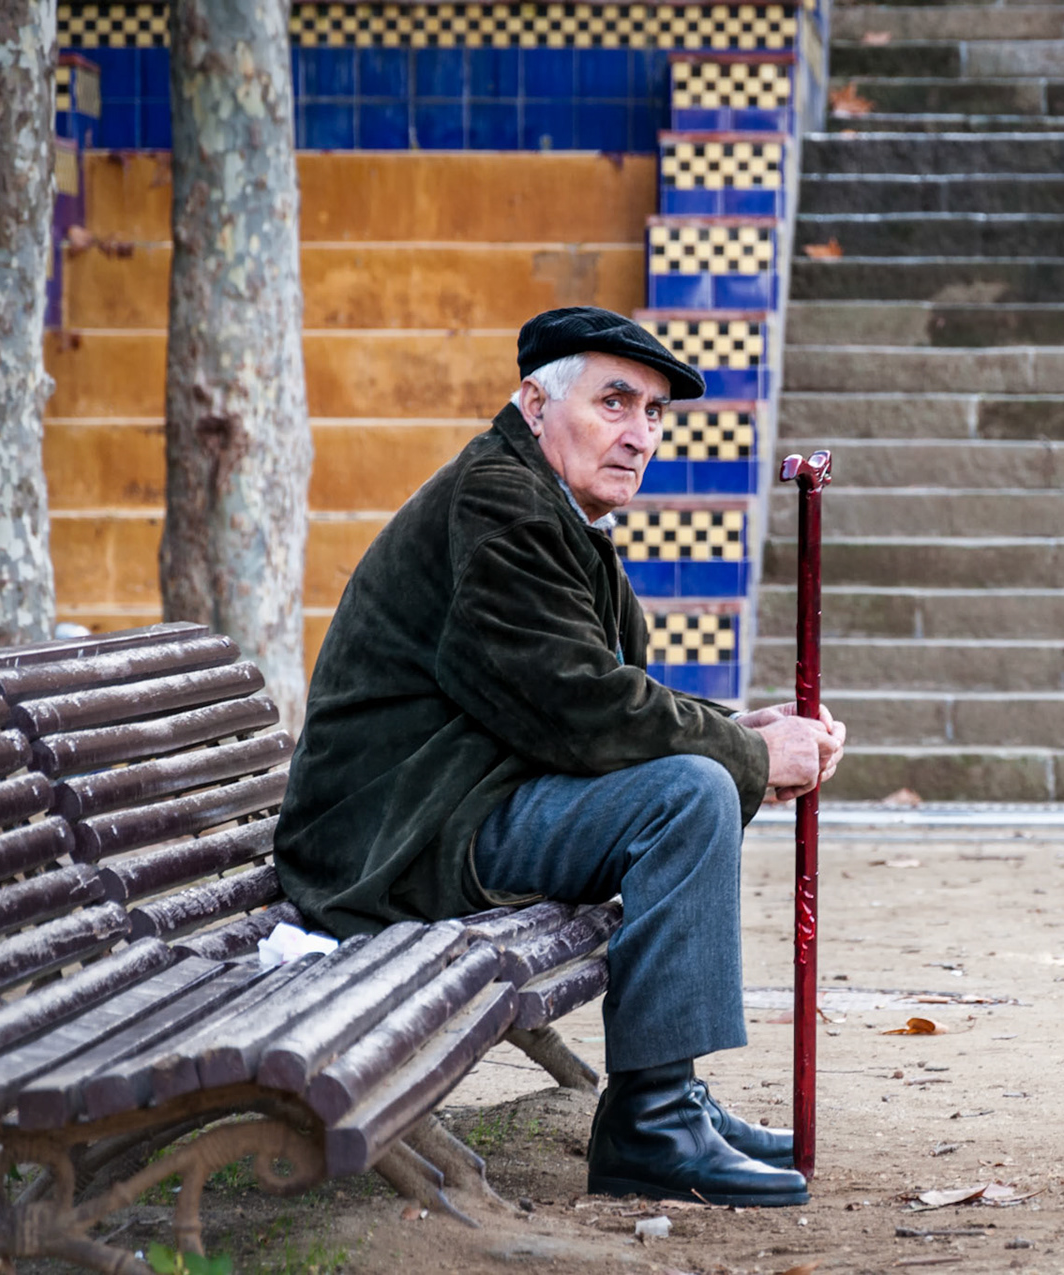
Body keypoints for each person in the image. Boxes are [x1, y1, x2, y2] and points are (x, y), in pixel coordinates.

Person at [273, 306, 844, 1208]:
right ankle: (651, 1125)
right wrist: (744, 750)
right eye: (616, 402)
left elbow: (580, 687)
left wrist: (743, 725)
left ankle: (669, 1099)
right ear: (535, 403)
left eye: (655, 412)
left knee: (695, 775)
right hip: (398, 838)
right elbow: (578, 707)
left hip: (450, 803)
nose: (640, 434)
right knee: (689, 793)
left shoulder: (547, 506)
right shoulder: (501, 504)